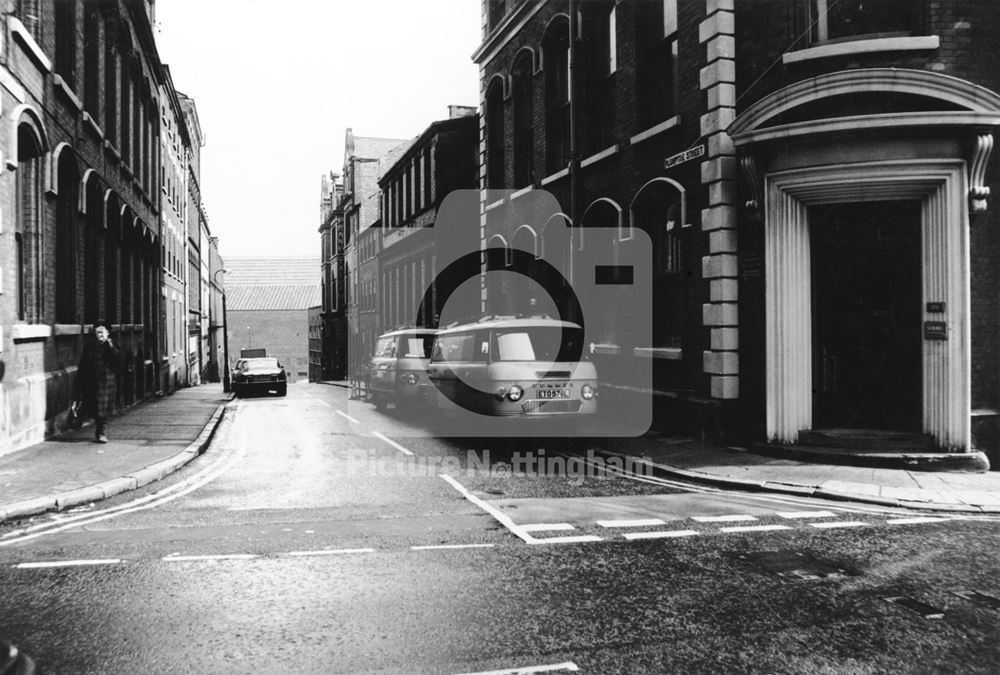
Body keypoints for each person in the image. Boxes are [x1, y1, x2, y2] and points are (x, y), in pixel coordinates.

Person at [73, 321, 120, 443]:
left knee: (102, 409)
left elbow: (117, 361)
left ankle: (101, 432)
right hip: (92, 381)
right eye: (97, 332)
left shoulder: (112, 345)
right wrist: (80, 381)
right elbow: (84, 363)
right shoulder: (90, 345)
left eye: (102, 332)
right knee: (92, 405)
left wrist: (110, 346)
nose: (99, 335)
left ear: (107, 333)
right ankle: (81, 420)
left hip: (106, 382)